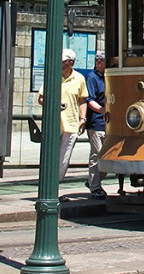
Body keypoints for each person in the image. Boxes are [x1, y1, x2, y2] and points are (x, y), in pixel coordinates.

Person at [37, 48, 87, 201]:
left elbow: (82, 100)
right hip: (53, 123)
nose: (60, 64)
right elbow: (41, 98)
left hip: (71, 125)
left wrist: (83, 119)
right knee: (50, 157)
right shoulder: (52, 76)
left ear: (70, 63)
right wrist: (53, 103)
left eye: (63, 62)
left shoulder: (79, 79)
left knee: (63, 160)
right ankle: (48, 191)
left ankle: (55, 190)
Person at [83, 52, 107, 199]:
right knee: (97, 155)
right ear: (99, 62)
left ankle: (93, 181)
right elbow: (89, 99)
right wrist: (101, 110)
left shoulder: (107, 77)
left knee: (106, 156)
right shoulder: (92, 77)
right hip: (97, 122)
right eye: (105, 61)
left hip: (107, 123)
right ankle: (95, 186)